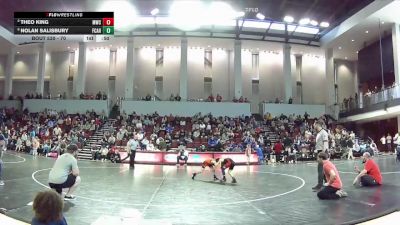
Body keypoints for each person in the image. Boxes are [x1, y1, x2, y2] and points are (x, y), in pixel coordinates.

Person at [312, 121, 329, 191]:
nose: (313, 126)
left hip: (323, 152)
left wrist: (323, 154)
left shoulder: (324, 133)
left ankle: (320, 185)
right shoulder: (319, 133)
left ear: (318, 125)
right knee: (323, 169)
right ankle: (327, 182)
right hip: (319, 151)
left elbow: (325, 143)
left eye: (314, 125)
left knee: (320, 169)